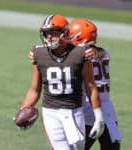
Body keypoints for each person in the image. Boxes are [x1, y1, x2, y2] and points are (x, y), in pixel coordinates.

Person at [16, 14, 105, 150]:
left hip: (75, 112)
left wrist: (99, 117)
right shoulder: (38, 54)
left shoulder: (81, 54)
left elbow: (91, 87)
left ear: (65, 32)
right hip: (51, 112)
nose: (49, 37)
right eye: (46, 34)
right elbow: (34, 89)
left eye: (53, 33)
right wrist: (24, 110)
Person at [69, 19, 122, 150]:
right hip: (108, 111)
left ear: (79, 36)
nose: (68, 38)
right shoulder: (104, 53)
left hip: (88, 110)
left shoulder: (78, 56)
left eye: (71, 35)